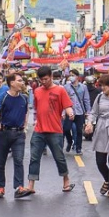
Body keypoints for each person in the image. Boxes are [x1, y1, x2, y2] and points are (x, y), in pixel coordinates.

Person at [27, 66, 76, 194]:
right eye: (41, 80)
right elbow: (37, 108)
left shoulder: (60, 90)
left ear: (51, 77)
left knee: (59, 157)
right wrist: (35, 120)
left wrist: (70, 113)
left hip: (55, 130)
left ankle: (66, 180)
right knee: (34, 157)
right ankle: (31, 185)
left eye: (46, 79)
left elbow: (67, 105)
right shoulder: (37, 91)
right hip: (39, 130)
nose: (44, 82)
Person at [0, 73, 32, 199]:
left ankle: (19, 187)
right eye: (19, 80)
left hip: (19, 134)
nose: (22, 83)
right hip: (5, 132)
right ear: (12, 83)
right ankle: (0, 187)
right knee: (1, 161)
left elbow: (26, 112)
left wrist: (25, 127)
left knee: (19, 160)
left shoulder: (24, 98)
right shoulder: (3, 97)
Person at [63, 69, 92, 154]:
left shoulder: (83, 87)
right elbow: (63, 100)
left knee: (79, 131)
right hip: (69, 111)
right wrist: (63, 112)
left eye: (73, 75)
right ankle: (69, 141)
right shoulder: (66, 87)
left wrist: (88, 112)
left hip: (80, 111)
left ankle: (78, 148)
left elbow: (86, 100)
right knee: (66, 129)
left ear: (77, 77)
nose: (71, 77)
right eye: (70, 75)